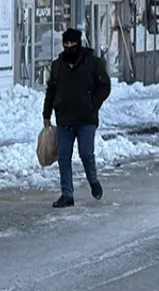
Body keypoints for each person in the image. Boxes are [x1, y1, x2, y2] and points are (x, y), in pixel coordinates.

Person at [42, 28, 112, 208]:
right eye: (65, 44)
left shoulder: (93, 63)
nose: (68, 47)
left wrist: (93, 104)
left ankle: (93, 181)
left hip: (86, 119)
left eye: (72, 44)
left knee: (86, 154)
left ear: (79, 44)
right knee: (64, 156)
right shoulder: (58, 65)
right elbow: (51, 90)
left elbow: (105, 86)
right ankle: (67, 194)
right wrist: (47, 113)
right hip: (64, 117)